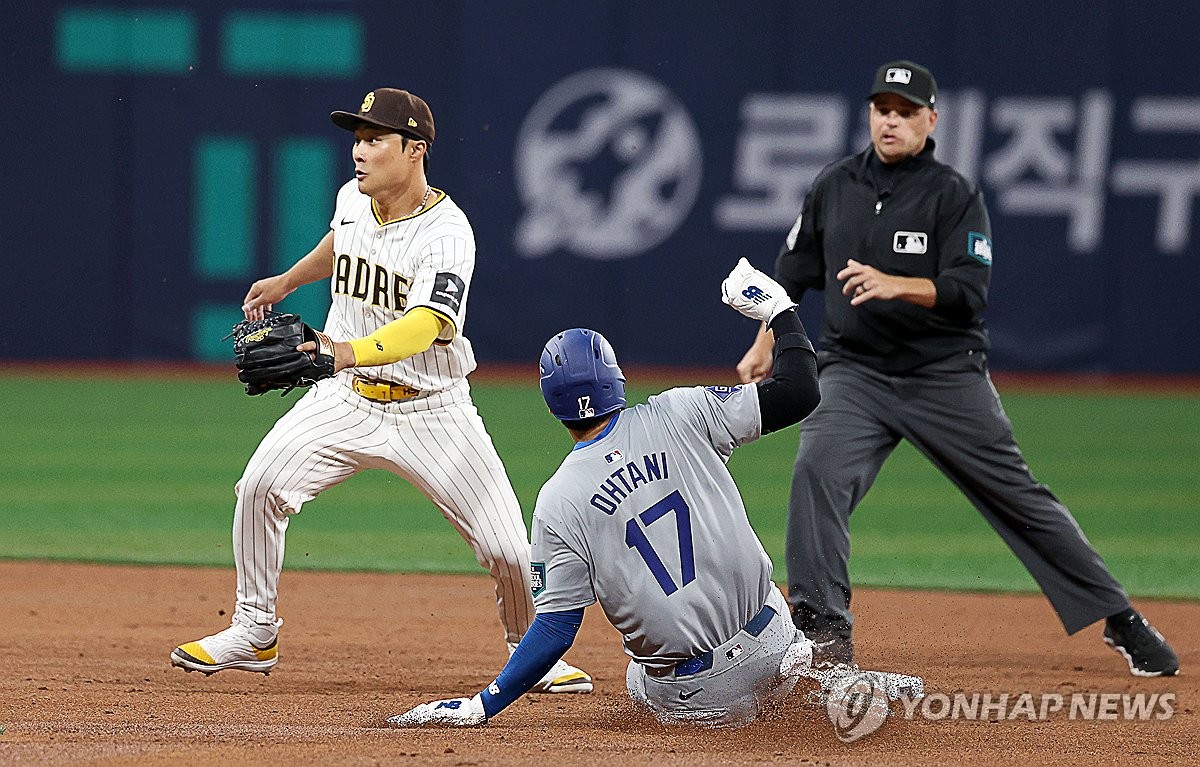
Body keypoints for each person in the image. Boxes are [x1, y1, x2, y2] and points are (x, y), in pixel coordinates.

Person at [736, 60, 1179, 677]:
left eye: (906, 111)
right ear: (869, 114)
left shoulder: (952, 194)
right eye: (882, 109)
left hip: (943, 374)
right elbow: (792, 274)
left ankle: (1119, 618)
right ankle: (822, 632)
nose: (891, 121)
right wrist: (764, 340)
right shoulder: (834, 185)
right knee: (817, 470)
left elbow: (969, 290)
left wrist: (897, 285)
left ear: (930, 120)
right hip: (854, 372)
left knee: (1017, 496)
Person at [170, 87, 592, 694]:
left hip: (432, 410)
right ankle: (255, 630)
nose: (359, 152)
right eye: (358, 139)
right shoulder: (353, 199)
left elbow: (431, 323)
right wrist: (288, 281)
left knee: (506, 550)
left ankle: (536, 655)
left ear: (415, 150)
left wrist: (343, 351)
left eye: (375, 140)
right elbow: (342, 242)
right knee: (260, 487)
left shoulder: (448, 233)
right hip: (346, 398)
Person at [385, 259, 923, 730]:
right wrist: (779, 311)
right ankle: (816, 681)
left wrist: (484, 703)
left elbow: (554, 628)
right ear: (616, 379)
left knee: (637, 679)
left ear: (553, 405)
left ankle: (758, 696)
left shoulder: (558, 500)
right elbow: (802, 391)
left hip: (696, 694)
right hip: (771, 642)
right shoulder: (682, 411)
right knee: (774, 651)